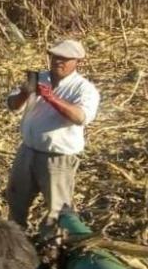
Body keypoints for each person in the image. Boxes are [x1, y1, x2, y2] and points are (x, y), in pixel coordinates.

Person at [5, 39, 99, 234]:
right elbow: (13, 105)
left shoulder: (84, 89)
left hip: (57, 159)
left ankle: (52, 249)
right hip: (27, 151)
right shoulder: (38, 78)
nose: (58, 62)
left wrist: (51, 97)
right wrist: (24, 92)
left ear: (77, 62)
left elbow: (80, 117)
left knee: (57, 213)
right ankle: (15, 241)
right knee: (16, 201)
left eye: (65, 59)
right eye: (55, 57)